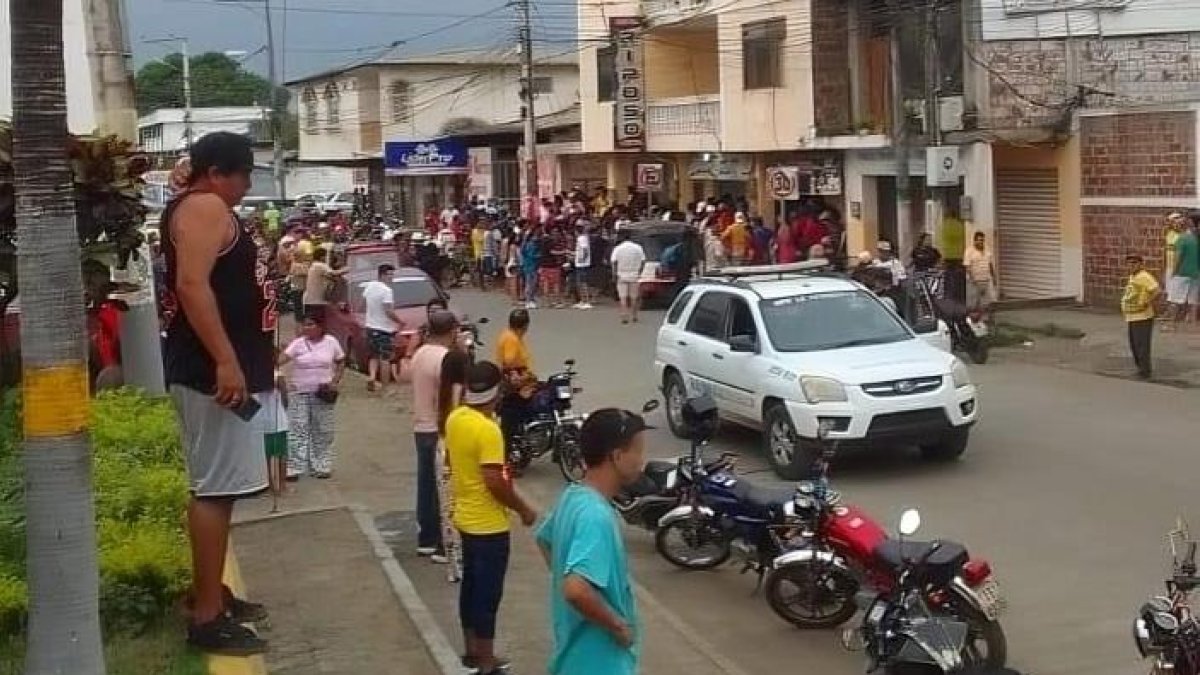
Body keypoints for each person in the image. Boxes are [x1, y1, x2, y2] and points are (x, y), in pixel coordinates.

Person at [160, 131, 274, 654]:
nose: (249, 183)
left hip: (225, 368)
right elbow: (191, 284)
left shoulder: (199, 201)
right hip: (213, 372)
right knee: (214, 489)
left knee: (221, 488)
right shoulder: (205, 206)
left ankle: (212, 594)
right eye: (244, 173)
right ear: (218, 173)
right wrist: (226, 360)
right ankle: (206, 616)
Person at [536, 408, 648, 675]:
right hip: (598, 662)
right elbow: (576, 589)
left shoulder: (574, 496)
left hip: (573, 658)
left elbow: (544, 539)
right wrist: (617, 626)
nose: (642, 461)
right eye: (638, 452)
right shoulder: (596, 516)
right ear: (617, 456)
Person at [445, 361, 538, 675]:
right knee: (488, 593)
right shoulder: (489, 431)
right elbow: (495, 481)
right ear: (496, 392)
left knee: (471, 586)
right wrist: (523, 508)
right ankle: (486, 662)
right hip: (489, 525)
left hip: (465, 517)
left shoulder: (456, 417)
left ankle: (472, 651)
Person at [405, 310, 463, 563]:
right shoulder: (446, 358)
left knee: (426, 483)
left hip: (421, 425)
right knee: (446, 486)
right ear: (452, 331)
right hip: (441, 429)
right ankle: (443, 542)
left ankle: (426, 538)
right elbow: (453, 397)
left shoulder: (420, 354)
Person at [277, 313, 345, 479]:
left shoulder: (331, 342)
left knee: (322, 430)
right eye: (305, 325)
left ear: (320, 327)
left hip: (322, 393)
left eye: (310, 325)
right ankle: (294, 467)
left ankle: (321, 465)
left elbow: (341, 361)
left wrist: (335, 380)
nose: (306, 328)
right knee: (297, 429)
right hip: (299, 392)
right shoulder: (298, 344)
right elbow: (281, 360)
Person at [363, 263, 404, 391]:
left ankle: (372, 376)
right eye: (389, 275)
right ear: (382, 275)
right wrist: (400, 322)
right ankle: (385, 386)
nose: (391, 278)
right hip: (383, 329)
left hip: (370, 326)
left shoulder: (370, 286)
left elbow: (364, 303)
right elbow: (388, 311)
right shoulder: (387, 291)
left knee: (373, 355)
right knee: (385, 358)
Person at [1121, 254, 1160, 379]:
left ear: (1140, 264)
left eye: (1134, 263)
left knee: (1142, 345)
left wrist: (1147, 302)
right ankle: (1140, 368)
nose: (1131, 266)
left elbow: (1157, 290)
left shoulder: (1144, 276)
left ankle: (1145, 371)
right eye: (1129, 263)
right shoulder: (1133, 277)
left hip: (1143, 317)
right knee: (1134, 344)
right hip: (1132, 316)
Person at [1165, 214, 1199, 328]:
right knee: (1193, 301)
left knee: (1174, 299)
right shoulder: (1197, 238)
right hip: (1196, 273)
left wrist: (1174, 272)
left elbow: (1178, 257)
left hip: (1182, 272)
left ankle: (1171, 324)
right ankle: (1194, 326)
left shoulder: (1183, 238)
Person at [610, 229, 646, 325]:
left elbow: (614, 262)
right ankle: (634, 315)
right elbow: (643, 261)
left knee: (623, 297)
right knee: (634, 297)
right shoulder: (638, 248)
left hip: (621, 274)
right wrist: (639, 271)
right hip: (634, 274)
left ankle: (624, 316)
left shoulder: (618, 248)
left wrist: (614, 274)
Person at [302, 247, 345, 320]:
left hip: (309, 301)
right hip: (316, 302)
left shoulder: (314, 265)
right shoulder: (320, 265)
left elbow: (330, 277)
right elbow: (334, 273)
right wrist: (348, 269)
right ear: (322, 257)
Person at [963, 231, 996, 313]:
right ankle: (973, 320)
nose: (981, 242)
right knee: (973, 303)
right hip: (974, 281)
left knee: (986, 302)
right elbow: (967, 267)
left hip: (986, 279)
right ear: (975, 241)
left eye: (982, 240)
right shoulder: (969, 251)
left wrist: (994, 277)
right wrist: (972, 279)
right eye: (979, 240)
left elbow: (990, 264)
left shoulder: (987, 250)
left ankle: (985, 318)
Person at [573, 221, 594, 310]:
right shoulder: (583, 238)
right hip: (580, 263)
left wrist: (583, 258)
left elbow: (585, 250)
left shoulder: (581, 238)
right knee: (580, 283)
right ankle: (582, 300)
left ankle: (586, 301)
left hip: (582, 264)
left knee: (583, 283)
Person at [521, 231, 541, 309]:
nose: (536, 237)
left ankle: (531, 300)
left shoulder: (535, 245)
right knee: (529, 284)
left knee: (534, 284)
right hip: (530, 266)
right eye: (534, 236)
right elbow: (531, 255)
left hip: (533, 266)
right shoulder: (530, 245)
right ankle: (528, 300)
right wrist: (539, 255)